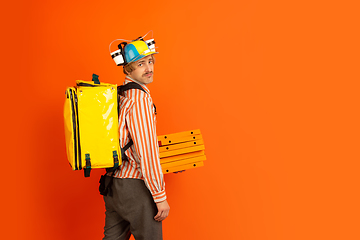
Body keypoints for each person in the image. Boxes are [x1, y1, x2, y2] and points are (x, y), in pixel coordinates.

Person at [102, 39, 170, 240]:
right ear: (128, 69)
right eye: (141, 64)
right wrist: (160, 196)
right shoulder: (140, 100)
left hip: (114, 184)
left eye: (150, 61)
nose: (149, 68)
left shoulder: (123, 94)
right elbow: (146, 152)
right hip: (135, 188)